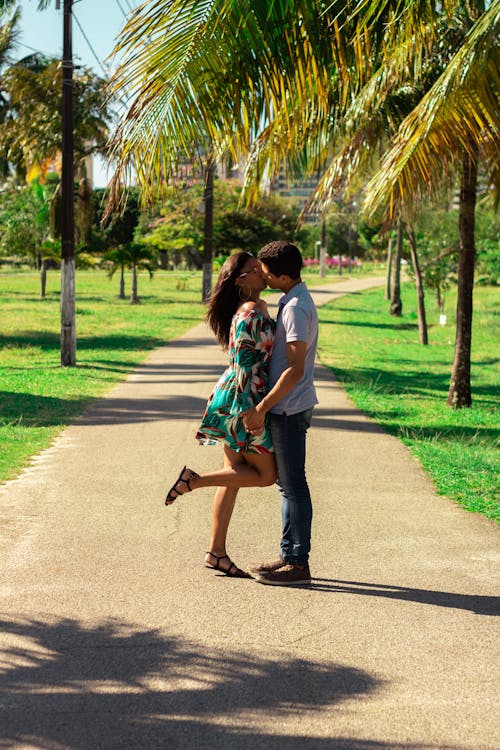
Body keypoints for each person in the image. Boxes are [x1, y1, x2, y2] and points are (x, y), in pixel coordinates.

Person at [165, 251, 277, 578]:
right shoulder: (251, 312)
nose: (262, 271)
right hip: (243, 397)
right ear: (242, 281)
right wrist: (251, 409)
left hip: (233, 394)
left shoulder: (252, 308)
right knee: (266, 475)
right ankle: (192, 481)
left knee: (234, 473)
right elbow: (245, 363)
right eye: (255, 269)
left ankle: (216, 552)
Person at [243, 240, 318, 586]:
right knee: (287, 487)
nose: (265, 278)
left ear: (284, 276)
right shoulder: (292, 300)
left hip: (288, 409)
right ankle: (289, 554)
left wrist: (262, 407)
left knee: (294, 486)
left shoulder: (294, 309)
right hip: (287, 407)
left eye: (268, 273)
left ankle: (298, 563)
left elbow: (295, 368)